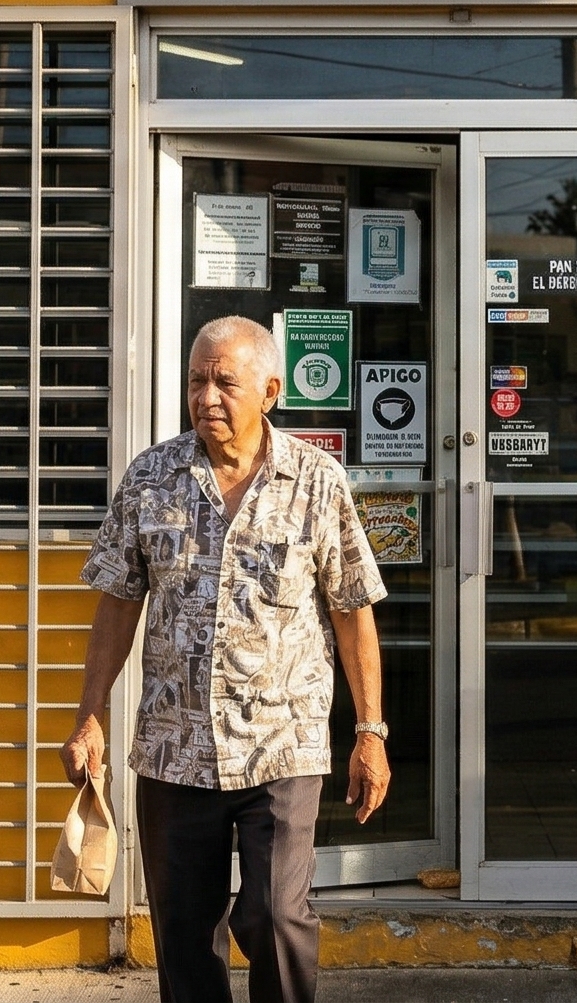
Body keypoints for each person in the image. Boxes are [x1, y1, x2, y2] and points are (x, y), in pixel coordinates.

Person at [64, 316, 390, 1003]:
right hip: (174, 748)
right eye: (196, 380)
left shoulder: (316, 480)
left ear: (270, 390)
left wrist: (370, 731)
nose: (206, 395)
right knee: (183, 933)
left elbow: (352, 609)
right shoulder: (151, 477)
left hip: (282, 746)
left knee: (274, 916)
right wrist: (90, 715)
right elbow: (118, 605)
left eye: (225, 381)